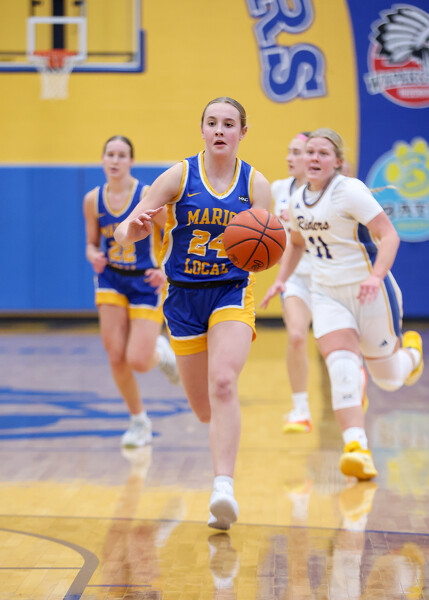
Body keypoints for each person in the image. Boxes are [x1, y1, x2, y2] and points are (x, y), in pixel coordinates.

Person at [114, 97, 272, 530]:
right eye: (212, 122)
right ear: (202, 130)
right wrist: (134, 229)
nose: (220, 130)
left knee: (223, 382)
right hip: (183, 298)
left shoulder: (256, 184)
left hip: (231, 291)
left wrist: (267, 249)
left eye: (229, 124)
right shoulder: (179, 176)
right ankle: (176, 364)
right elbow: (125, 230)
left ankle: (223, 488)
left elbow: (266, 248)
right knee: (204, 411)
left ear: (242, 132)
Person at [261, 128, 423, 480]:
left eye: (323, 153)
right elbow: (297, 243)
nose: (314, 158)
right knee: (341, 367)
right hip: (327, 294)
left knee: (389, 379)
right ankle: (356, 448)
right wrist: (281, 279)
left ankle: (411, 355)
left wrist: (375, 277)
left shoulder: (349, 191)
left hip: (370, 291)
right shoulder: (296, 200)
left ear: (336, 162)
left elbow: (389, 235)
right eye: (310, 152)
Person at [83, 135, 180, 450]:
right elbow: (91, 244)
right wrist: (93, 255)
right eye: (110, 154)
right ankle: (139, 421)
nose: (115, 160)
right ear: (102, 159)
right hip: (111, 278)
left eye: (121, 155)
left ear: (131, 161)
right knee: (115, 355)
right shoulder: (92, 200)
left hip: (145, 282)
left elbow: (173, 234)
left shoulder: (146, 195)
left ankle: (161, 353)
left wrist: (165, 270)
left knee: (138, 360)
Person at [271, 132, 313, 433]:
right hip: (295, 275)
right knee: (297, 336)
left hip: (328, 273)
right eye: (289, 151)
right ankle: (301, 409)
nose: (289, 157)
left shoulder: (330, 191)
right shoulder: (278, 188)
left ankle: (354, 380)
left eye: (297, 152)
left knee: (334, 342)